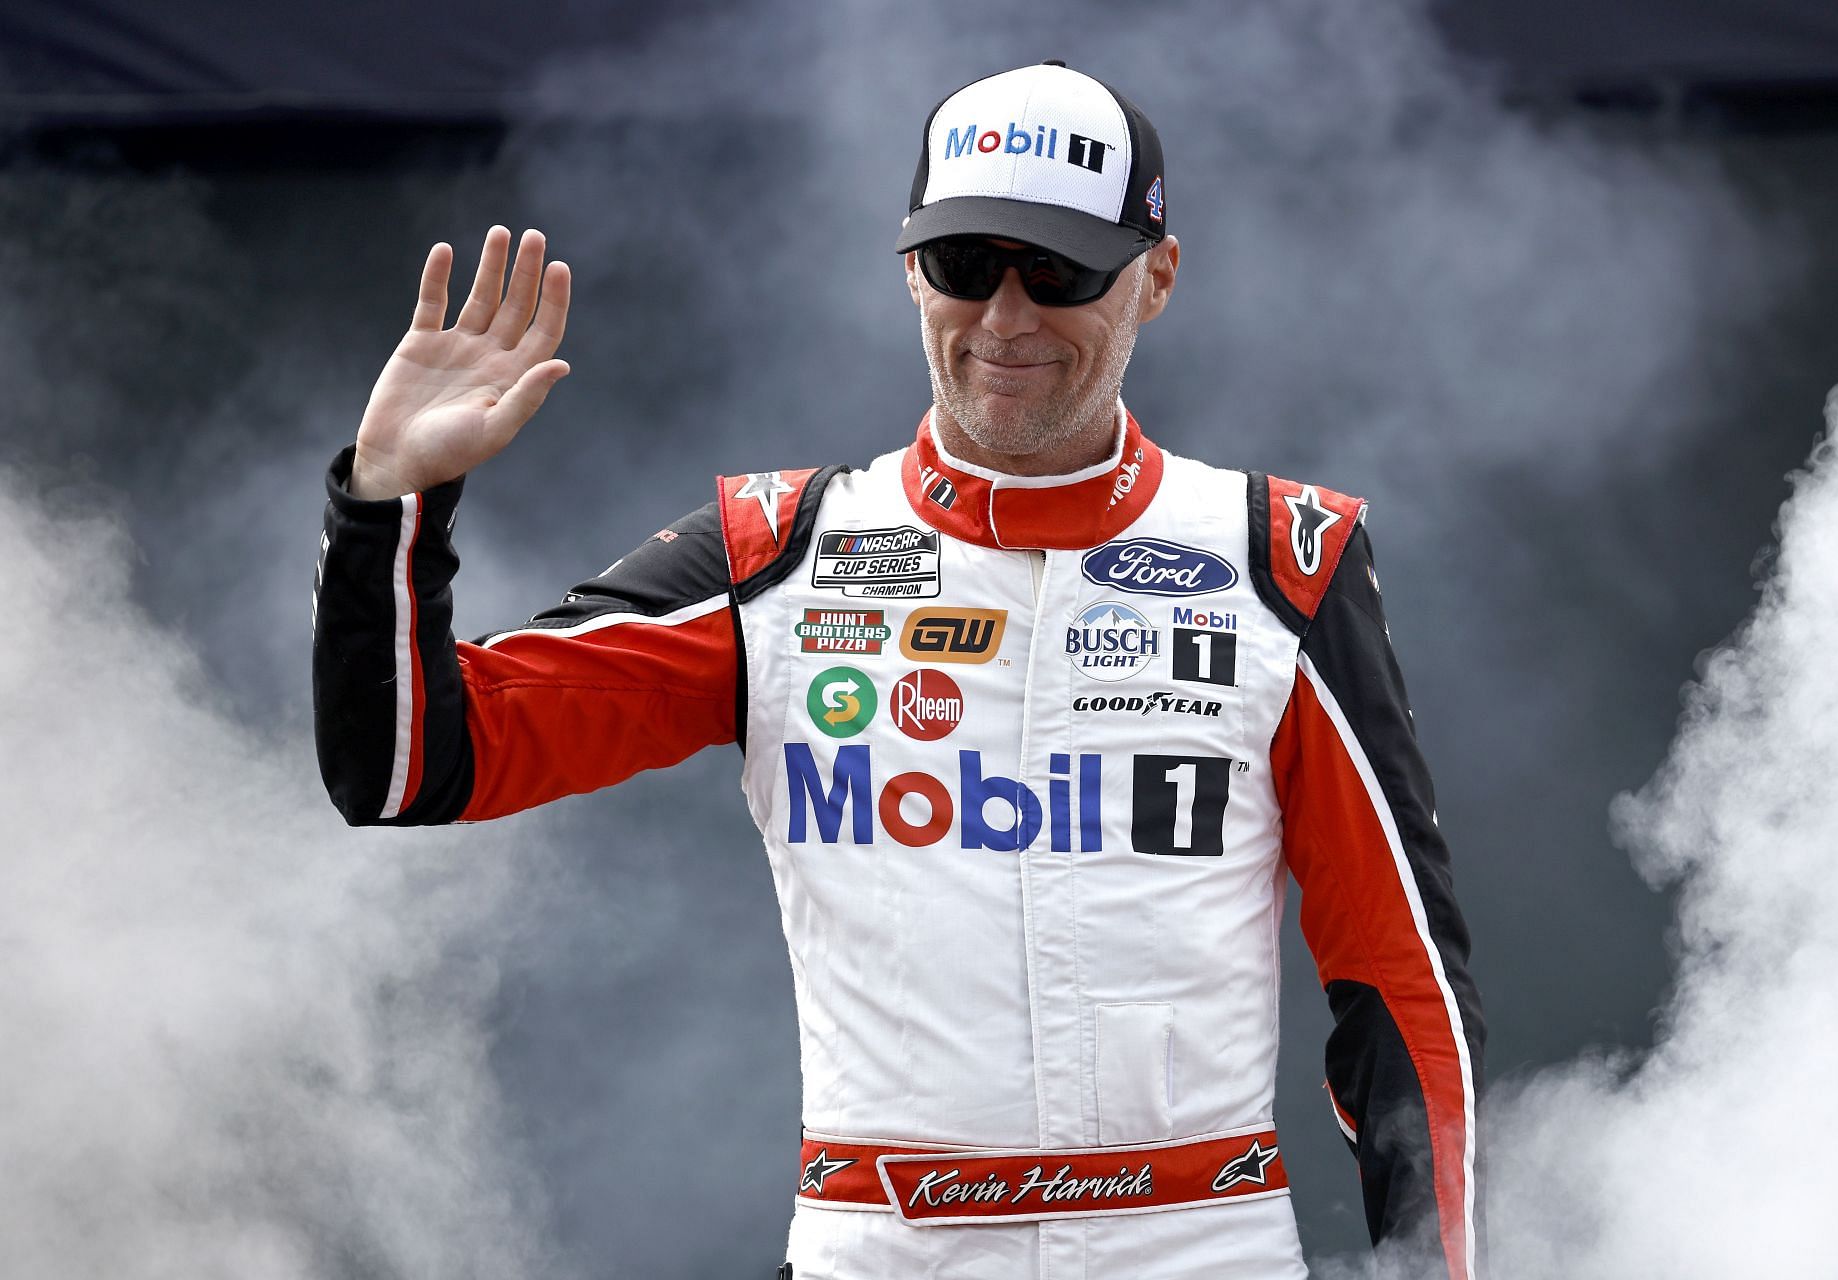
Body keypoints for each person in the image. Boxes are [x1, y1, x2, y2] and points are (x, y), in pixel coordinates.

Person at [313, 61, 1484, 1280]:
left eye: (1062, 271)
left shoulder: (1284, 559)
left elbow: (1403, 990)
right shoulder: (777, 555)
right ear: (909, 272)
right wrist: (391, 505)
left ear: (1159, 277)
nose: (1008, 318)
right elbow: (406, 764)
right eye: (966, 266)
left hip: (1197, 1247)